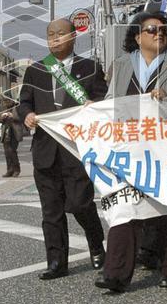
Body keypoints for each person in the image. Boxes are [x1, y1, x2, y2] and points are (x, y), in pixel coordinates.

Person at [94, 11, 167, 292]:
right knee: (124, 207)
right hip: (129, 147)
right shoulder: (120, 65)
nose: (159, 34)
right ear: (137, 36)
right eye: (152, 30)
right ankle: (115, 274)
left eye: (164, 31)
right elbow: (110, 102)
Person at [18, 18, 107, 279]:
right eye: (50, 35)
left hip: (76, 149)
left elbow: (103, 100)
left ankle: (95, 244)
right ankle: (56, 261)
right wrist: (27, 114)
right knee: (51, 211)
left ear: (73, 37)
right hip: (45, 150)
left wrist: (93, 104)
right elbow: (24, 101)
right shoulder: (36, 70)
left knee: (81, 203)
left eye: (60, 34)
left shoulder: (89, 68)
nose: (55, 38)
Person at [0, 100, 25, 177]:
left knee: (12, 151)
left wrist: (12, 116)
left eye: (7, 101)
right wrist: (2, 117)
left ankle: (16, 170)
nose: (6, 103)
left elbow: (22, 117)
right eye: (5, 101)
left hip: (14, 132)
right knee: (7, 152)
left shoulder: (17, 106)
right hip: (6, 132)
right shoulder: (3, 108)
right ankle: (9, 170)